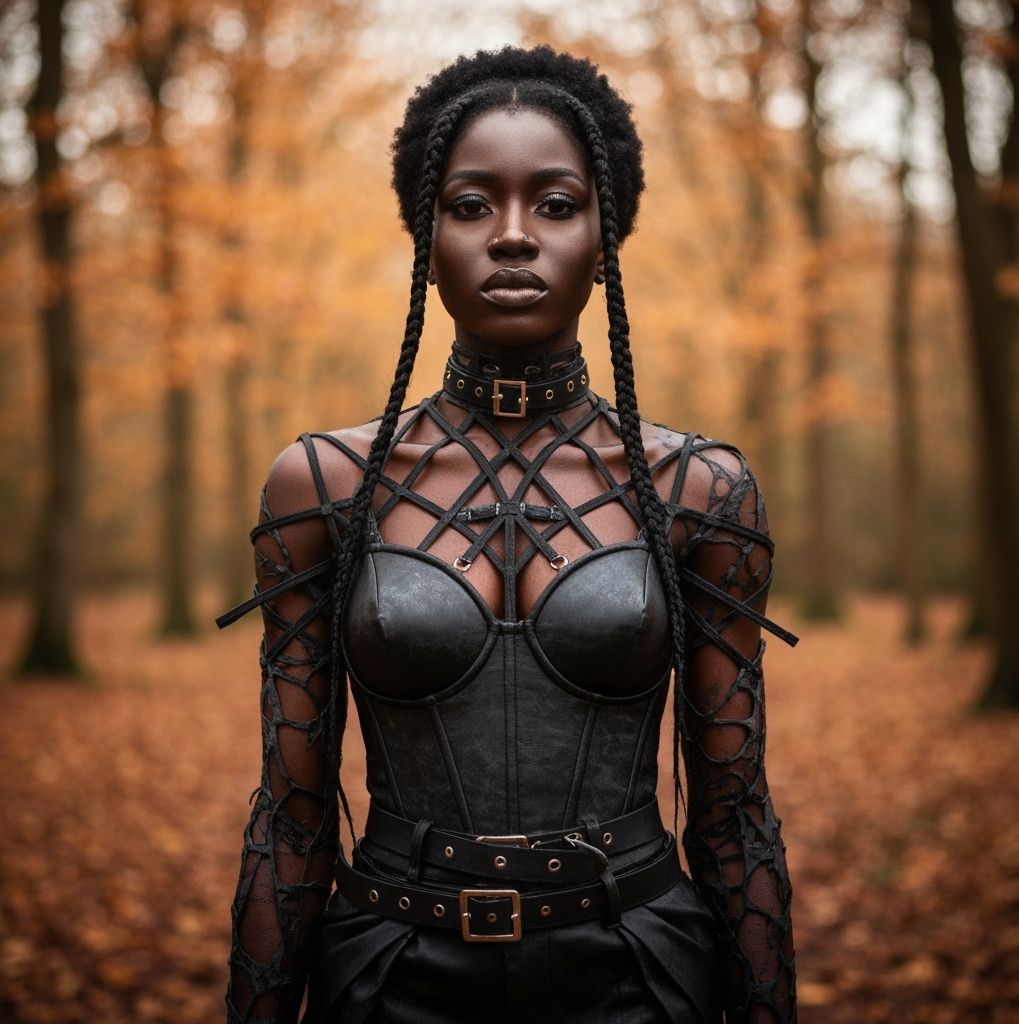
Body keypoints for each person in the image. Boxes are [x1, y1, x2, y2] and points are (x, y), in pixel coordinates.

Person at [218, 45, 798, 1024]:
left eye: (558, 204)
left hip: (641, 973)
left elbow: (734, 818)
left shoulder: (698, 488)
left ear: (605, 235)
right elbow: (292, 813)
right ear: (426, 235)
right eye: (472, 203)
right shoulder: (323, 486)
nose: (515, 237)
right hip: (392, 974)